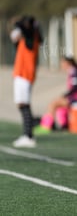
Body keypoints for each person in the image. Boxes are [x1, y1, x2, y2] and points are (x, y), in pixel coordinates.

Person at [34, 56, 77, 134]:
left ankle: (46, 126)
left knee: (54, 104)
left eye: (63, 63)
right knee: (59, 104)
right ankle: (63, 125)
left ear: (67, 63)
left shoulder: (74, 71)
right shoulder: (75, 71)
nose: (62, 65)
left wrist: (65, 95)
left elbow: (76, 87)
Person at [10, 15, 43, 148]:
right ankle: (27, 134)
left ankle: (28, 135)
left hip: (24, 75)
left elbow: (23, 27)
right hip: (22, 75)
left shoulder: (31, 37)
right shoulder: (27, 39)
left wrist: (18, 22)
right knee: (22, 105)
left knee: (24, 105)